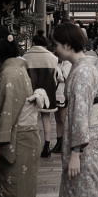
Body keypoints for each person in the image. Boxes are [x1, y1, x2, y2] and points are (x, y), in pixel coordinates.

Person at [0, 27, 44, 197]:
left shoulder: (10, 74)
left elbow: (7, 113)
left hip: (18, 142)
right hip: (26, 140)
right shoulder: (17, 68)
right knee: (19, 194)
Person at [53, 22, 98, 197]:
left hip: (86, 142)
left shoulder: (82, 72)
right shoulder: (84, 66)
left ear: (67, 45)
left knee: (86, 193)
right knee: (85, 191)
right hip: (92, 136)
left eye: (56, 44)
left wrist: (76, 152)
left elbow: (80, 112)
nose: (54, 49)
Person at [23, 30, 59, 158]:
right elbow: (57, 76)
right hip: (48, 92)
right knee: (46, 118)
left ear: (33, 43)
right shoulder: (52, 58)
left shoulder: (25, 57)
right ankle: (46, 145)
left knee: (31, 119)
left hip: (30, 91)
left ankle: (31, 146)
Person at [52, 54, 72, 154]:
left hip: (63, 94)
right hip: (55, 94)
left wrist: (57, 72)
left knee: (63, 119)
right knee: (57, 119)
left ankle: (66, 143)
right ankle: (59, 142)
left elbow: (63, 77)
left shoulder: (68, 63)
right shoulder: (54, 62)